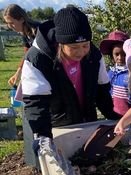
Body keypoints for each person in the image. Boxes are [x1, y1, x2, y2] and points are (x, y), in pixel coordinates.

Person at [21, 6, 120, 142]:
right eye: (74, 47)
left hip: (87, 122)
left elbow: (102, 91)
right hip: (58, 128)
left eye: (85, 45)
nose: (80, 52)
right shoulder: (38, 59)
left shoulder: (94, 56)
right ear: (60, 43)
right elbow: (36, 104)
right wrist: (43, 137)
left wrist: (115, 118)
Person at [3, 4, 41, 86]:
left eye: (12, 23)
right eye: (7, 23)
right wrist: (18, 73)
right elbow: (27, 54)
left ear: (22, 19)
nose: (10, 26)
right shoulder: (24, 33)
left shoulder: (39, 31)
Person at [99, 30, 130, 117]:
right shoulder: (110, 73)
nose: (120, 57)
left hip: (130, 117)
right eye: (117, 54)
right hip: (114, 115)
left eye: (124, 54)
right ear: (111, 55)